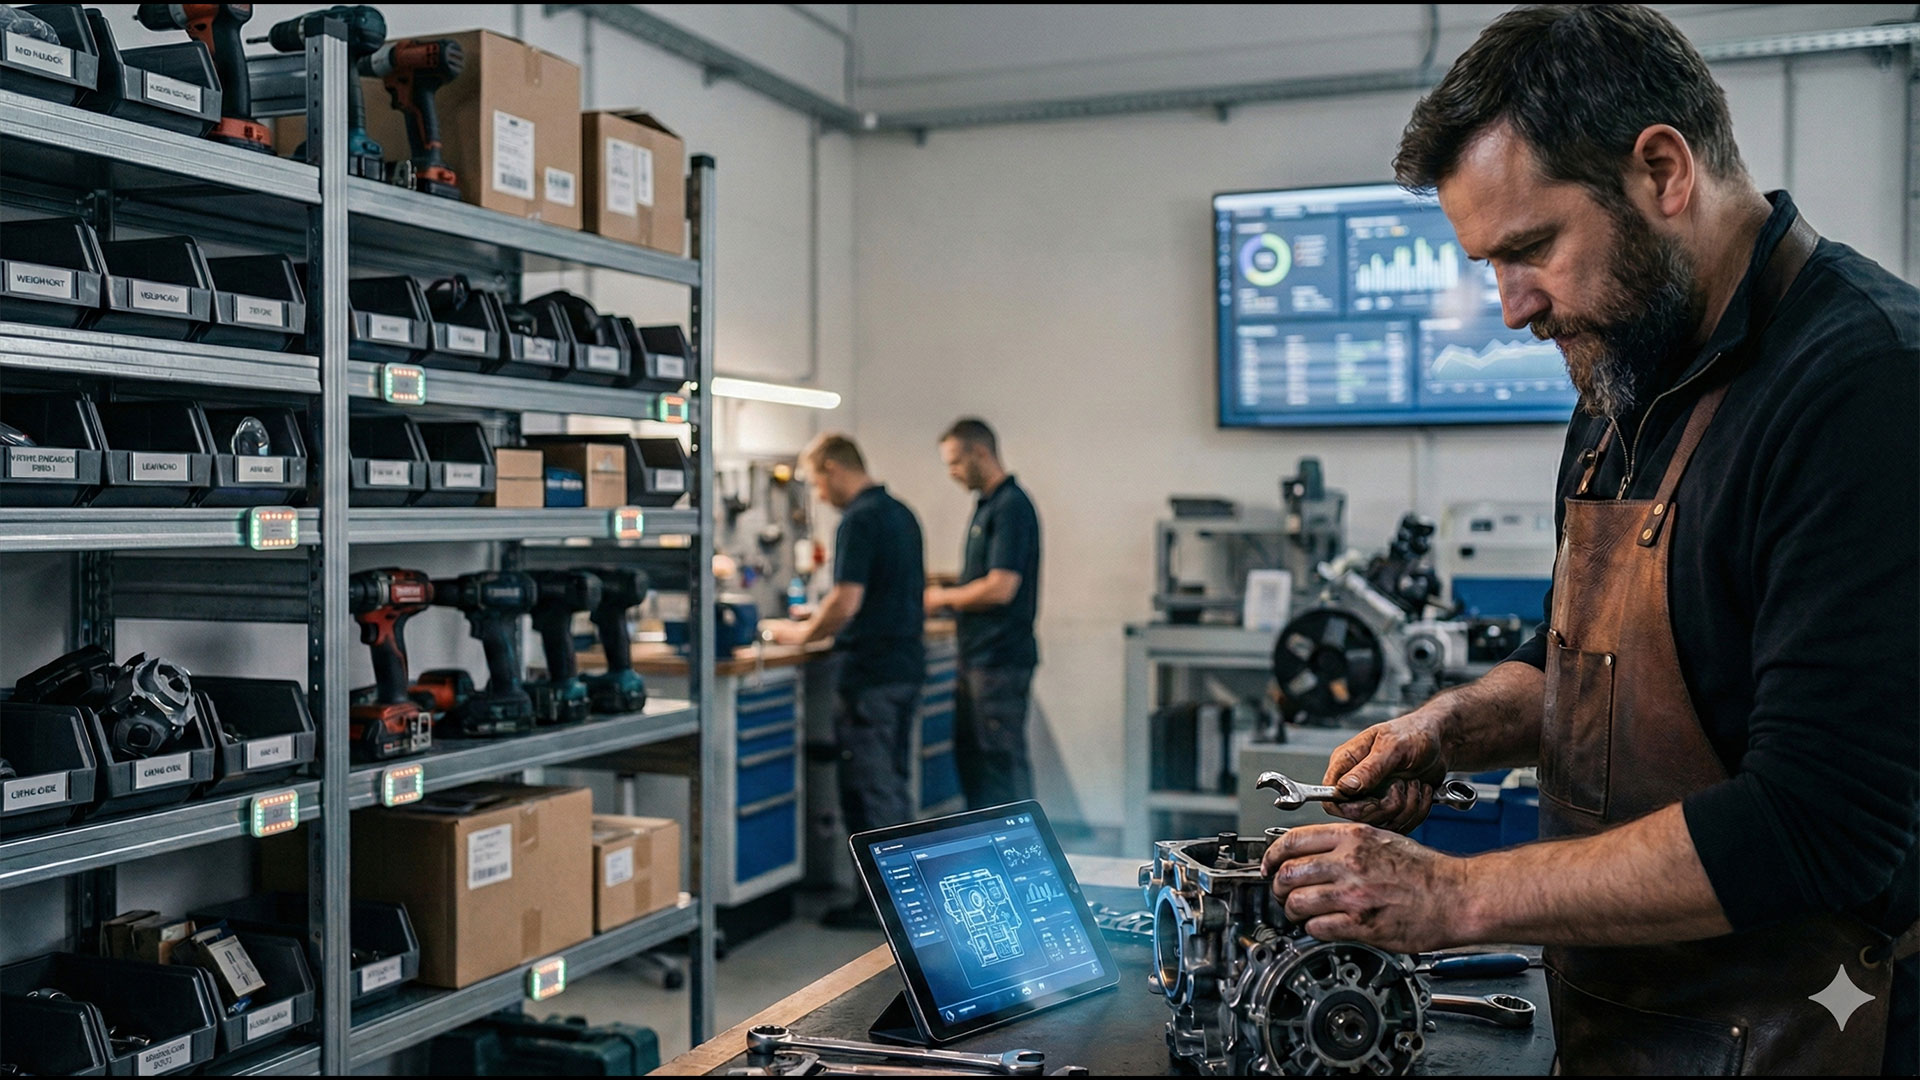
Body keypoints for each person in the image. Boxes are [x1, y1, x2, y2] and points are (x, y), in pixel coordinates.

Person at [1258, 6, 1919, 1074]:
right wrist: (1447, 726)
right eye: (1489, 264)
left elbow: (1817, 825)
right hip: (1630, 1032)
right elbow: (1585, 667)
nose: (1512, 307)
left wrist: (1455, 894)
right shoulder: (1625, 375)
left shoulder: (1865, 386)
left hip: (1807, 1040)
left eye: (1530, 249)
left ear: (1662, 171)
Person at [769, 433, 925, 929]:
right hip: (902, 669)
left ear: (835, 469)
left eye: (817, 481)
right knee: (892, 786)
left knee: (870, 790)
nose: (818, 494)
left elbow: (846, 601)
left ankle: (885, 910)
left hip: (871, 675)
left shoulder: (858, 519)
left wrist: (803, 635)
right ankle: (902, 902)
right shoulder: (902, 513)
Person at [924, 419, 1042, 809]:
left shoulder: (1011, 506)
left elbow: (1000, 587)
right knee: (975, 766)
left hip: (998, 660)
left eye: (955, 462)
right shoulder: (987, 507)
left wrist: (942, 598)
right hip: (977, 657)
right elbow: (982, 577)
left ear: (981, 452)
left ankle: (1022, 858)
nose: (952, 473)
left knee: (1000, 768)